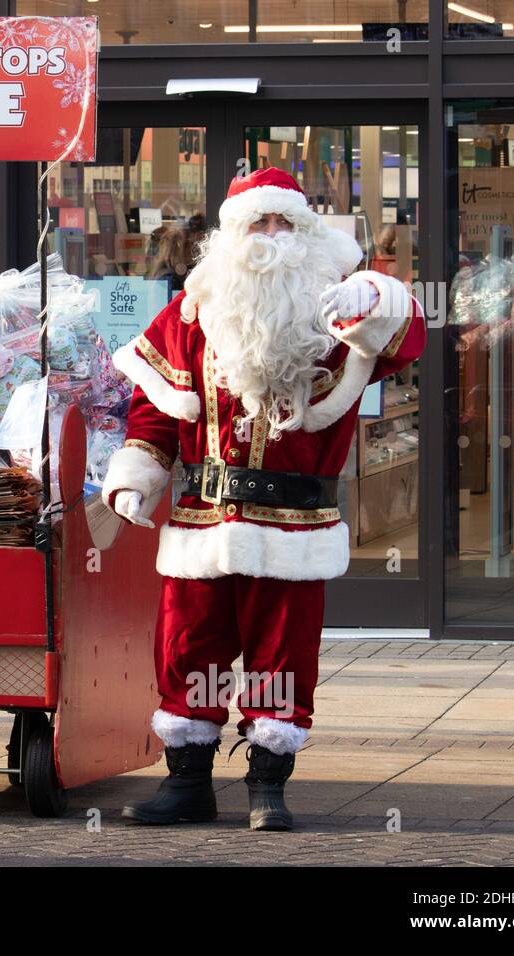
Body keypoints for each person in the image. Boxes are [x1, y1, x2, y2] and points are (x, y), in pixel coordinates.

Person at [102, 168, 425, 830]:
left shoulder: (339, 314)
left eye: (285, 224)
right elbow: (155, 412)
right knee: (191, 646)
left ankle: (266, 786)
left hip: (295, 527)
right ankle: (187, 782)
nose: (270, 238)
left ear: (308, 235)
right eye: (258, 224)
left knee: (284, 653)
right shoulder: (191, 314)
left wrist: (377, 294)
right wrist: (137, 473)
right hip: (202, 523)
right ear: (232, 235)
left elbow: (405, 336)